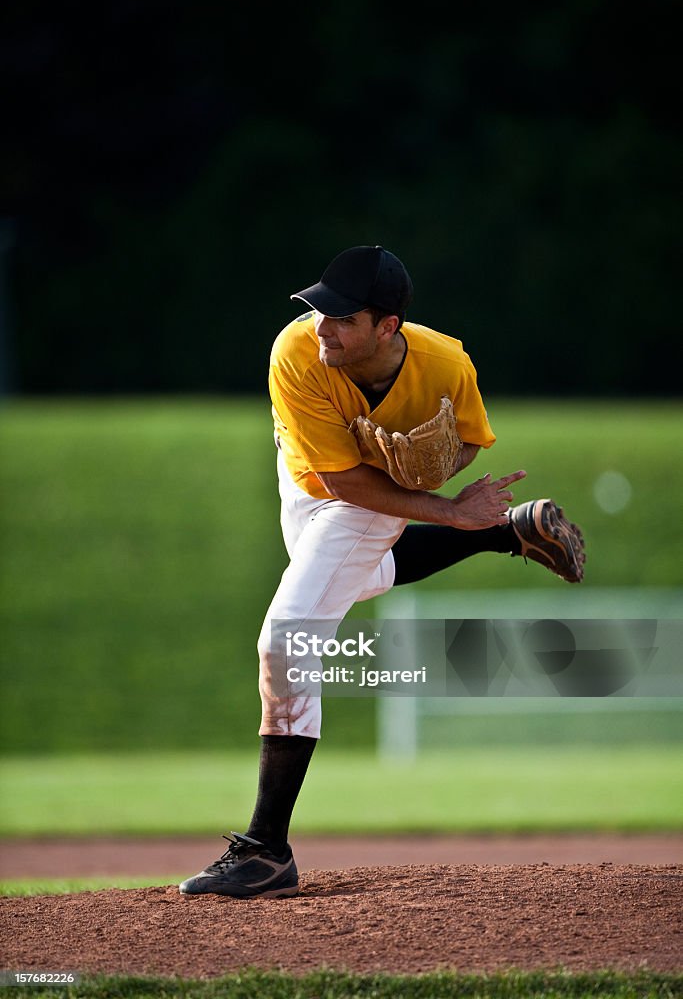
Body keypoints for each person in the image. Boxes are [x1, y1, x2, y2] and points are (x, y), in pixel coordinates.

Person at [178, 245, 586, 899]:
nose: (323, 327)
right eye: (319, 310)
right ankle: (506, 534)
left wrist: (431, 475)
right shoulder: (297, 352)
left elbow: (472, 438)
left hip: (378, 491)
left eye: (341, 318)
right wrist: (447, 513)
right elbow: (337, 478)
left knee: (288, 640)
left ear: (386, 326)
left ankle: (265, 849)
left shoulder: (445, 364)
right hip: (316, 476)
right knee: (355, 578)